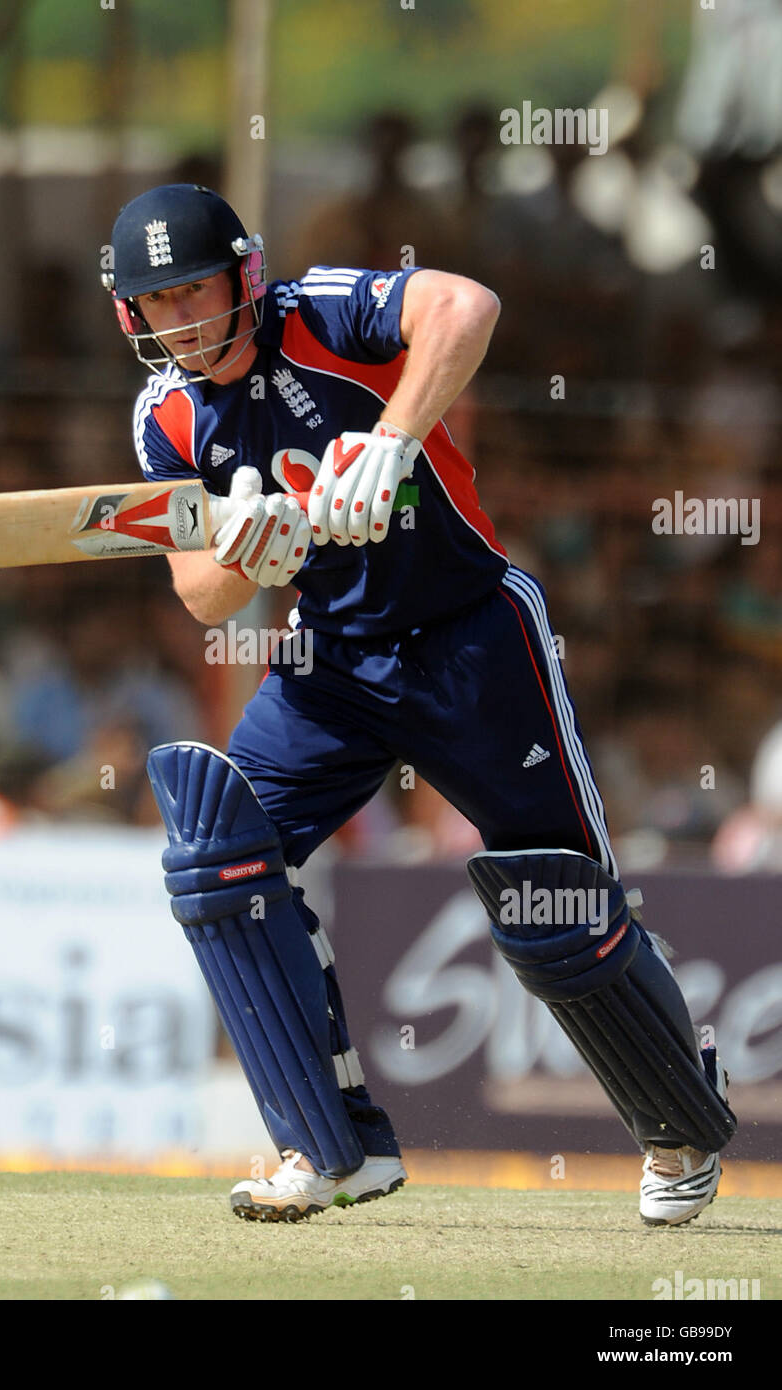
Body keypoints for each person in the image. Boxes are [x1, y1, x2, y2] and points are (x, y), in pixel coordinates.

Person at [102, 183, 735, 1224]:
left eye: (198, 291)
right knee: (218, 852)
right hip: (333, 659)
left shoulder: (322, 313)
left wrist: (391, 437)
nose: (184, 321)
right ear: (131, 316)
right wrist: (249, 553)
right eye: (158, 304)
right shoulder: (163, 414)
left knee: (559, 904)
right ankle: (328, 1144)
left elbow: (467, 307)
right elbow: (200, 595)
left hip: (472, 636)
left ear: (244, 277)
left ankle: (676, 1123)